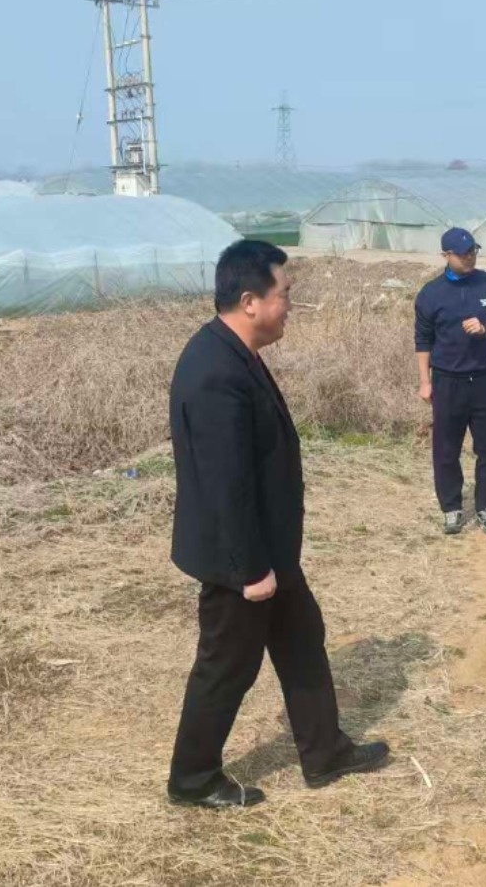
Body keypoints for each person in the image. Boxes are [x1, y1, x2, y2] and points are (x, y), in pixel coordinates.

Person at [167, 240, 390, 809]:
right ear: (250, 301)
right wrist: (252, 571)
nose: (291, 304)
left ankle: (324, 752)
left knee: (302, 641)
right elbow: (226, 484)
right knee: (226, 666)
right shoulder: (215, 371)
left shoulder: (233, 352)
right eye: (285, 293)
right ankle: (192, 779)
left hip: (270, 550)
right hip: (242, 559)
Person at [415, 228, 486, 536]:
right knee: (446, 449)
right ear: (446, 256)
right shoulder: (430, 293)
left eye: (473, 251)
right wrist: (424, 381)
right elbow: (423, 340)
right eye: (463, 254)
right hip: (448, 381)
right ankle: (451, 508)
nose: (470, 257)